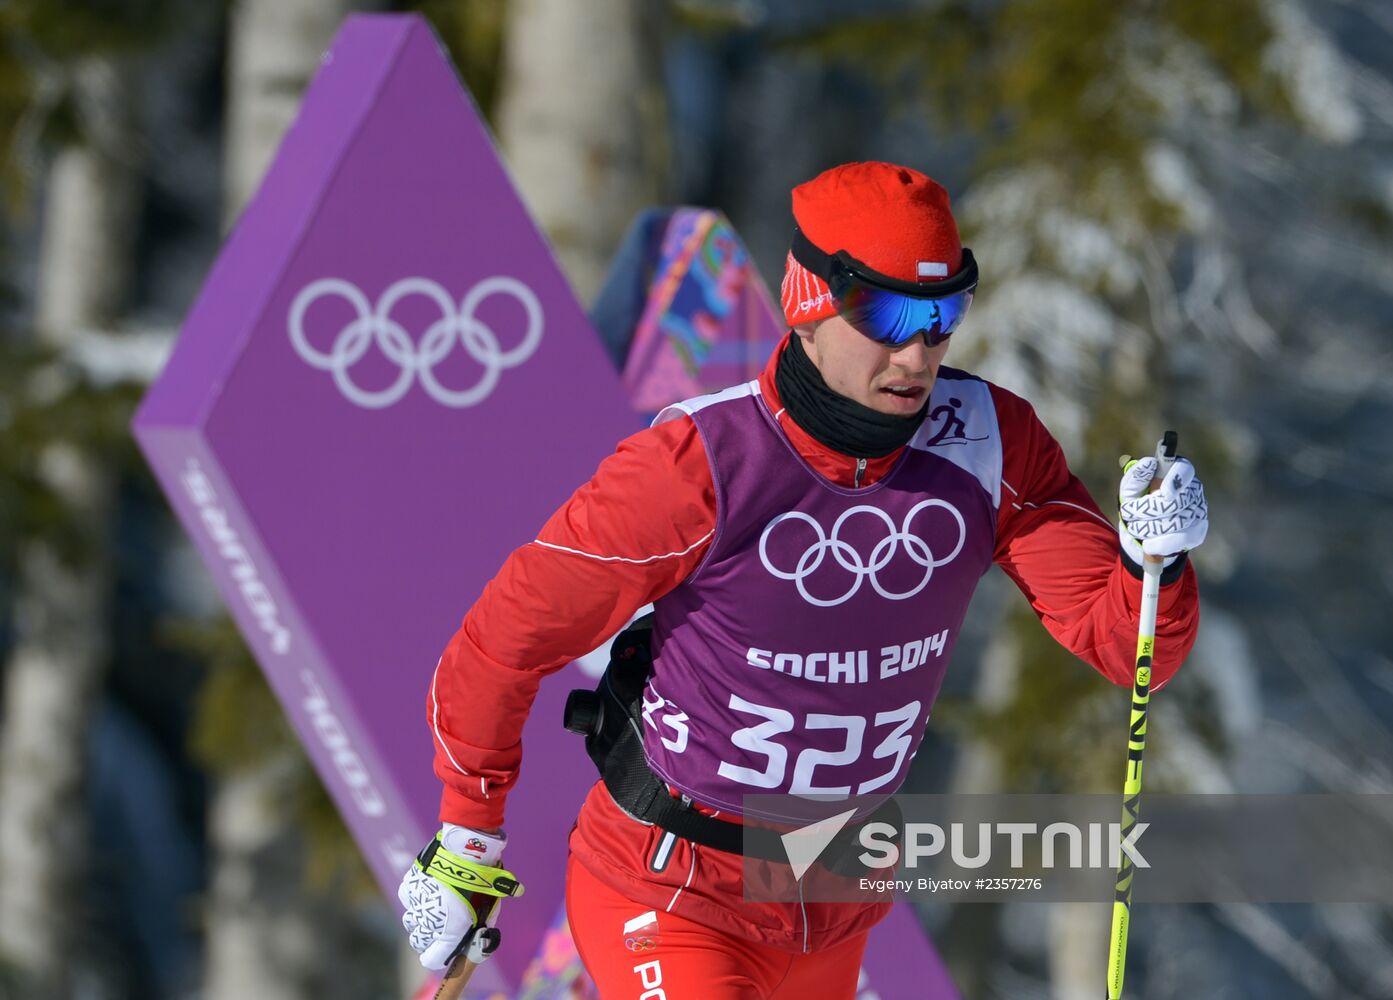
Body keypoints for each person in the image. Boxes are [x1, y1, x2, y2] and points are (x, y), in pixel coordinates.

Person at [397, 161, 1207, 998]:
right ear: (810, 300)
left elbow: (1126, 646)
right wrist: (465, 842)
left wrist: (1159, 560)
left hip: (835, 897)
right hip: (673, 886)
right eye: (887, 313)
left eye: (943, 316)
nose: (915, 351)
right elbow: (501, 643)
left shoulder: (988, 441)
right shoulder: (697, 468)